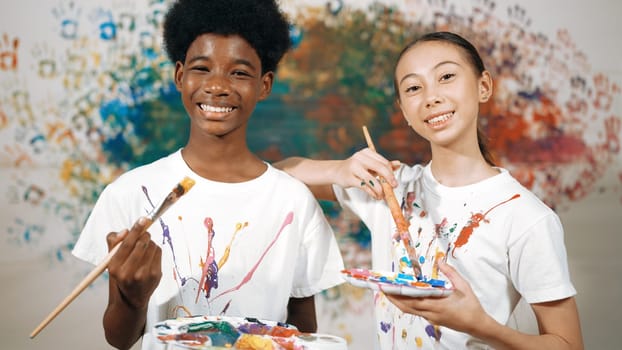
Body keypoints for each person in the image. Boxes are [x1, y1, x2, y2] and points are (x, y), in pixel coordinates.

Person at [275, 31, 583, 349]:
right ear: (404, 111)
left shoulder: (526, 216)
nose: (430, 97)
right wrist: (339, 169)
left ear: (484, 86)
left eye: (446, 76)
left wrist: (480, 325)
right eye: (413, 88)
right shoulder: (391, 187)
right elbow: (278, 175)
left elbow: (568, 344)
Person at [71, 1, 344, 349]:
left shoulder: (294, 201)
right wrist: (133, 296)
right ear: (180, 76)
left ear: (264, 85)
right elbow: (119, 338)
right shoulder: (132, 193)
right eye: (202, 68)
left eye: (239, 72)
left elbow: (303, 331)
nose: (217, 86)